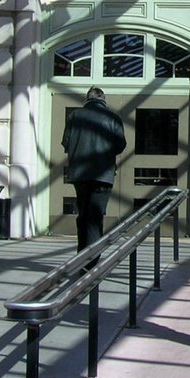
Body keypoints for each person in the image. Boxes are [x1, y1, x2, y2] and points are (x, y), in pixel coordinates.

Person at [61, 87, 127, 255]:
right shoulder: (113, 117)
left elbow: (66, 143)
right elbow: (120, 145)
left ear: (87, 99)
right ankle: (91, 259)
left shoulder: (74, 116)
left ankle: (81, 254)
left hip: (79, 174)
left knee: (83, 215)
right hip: (102, 175)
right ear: (103, 99)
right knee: (95, 217)